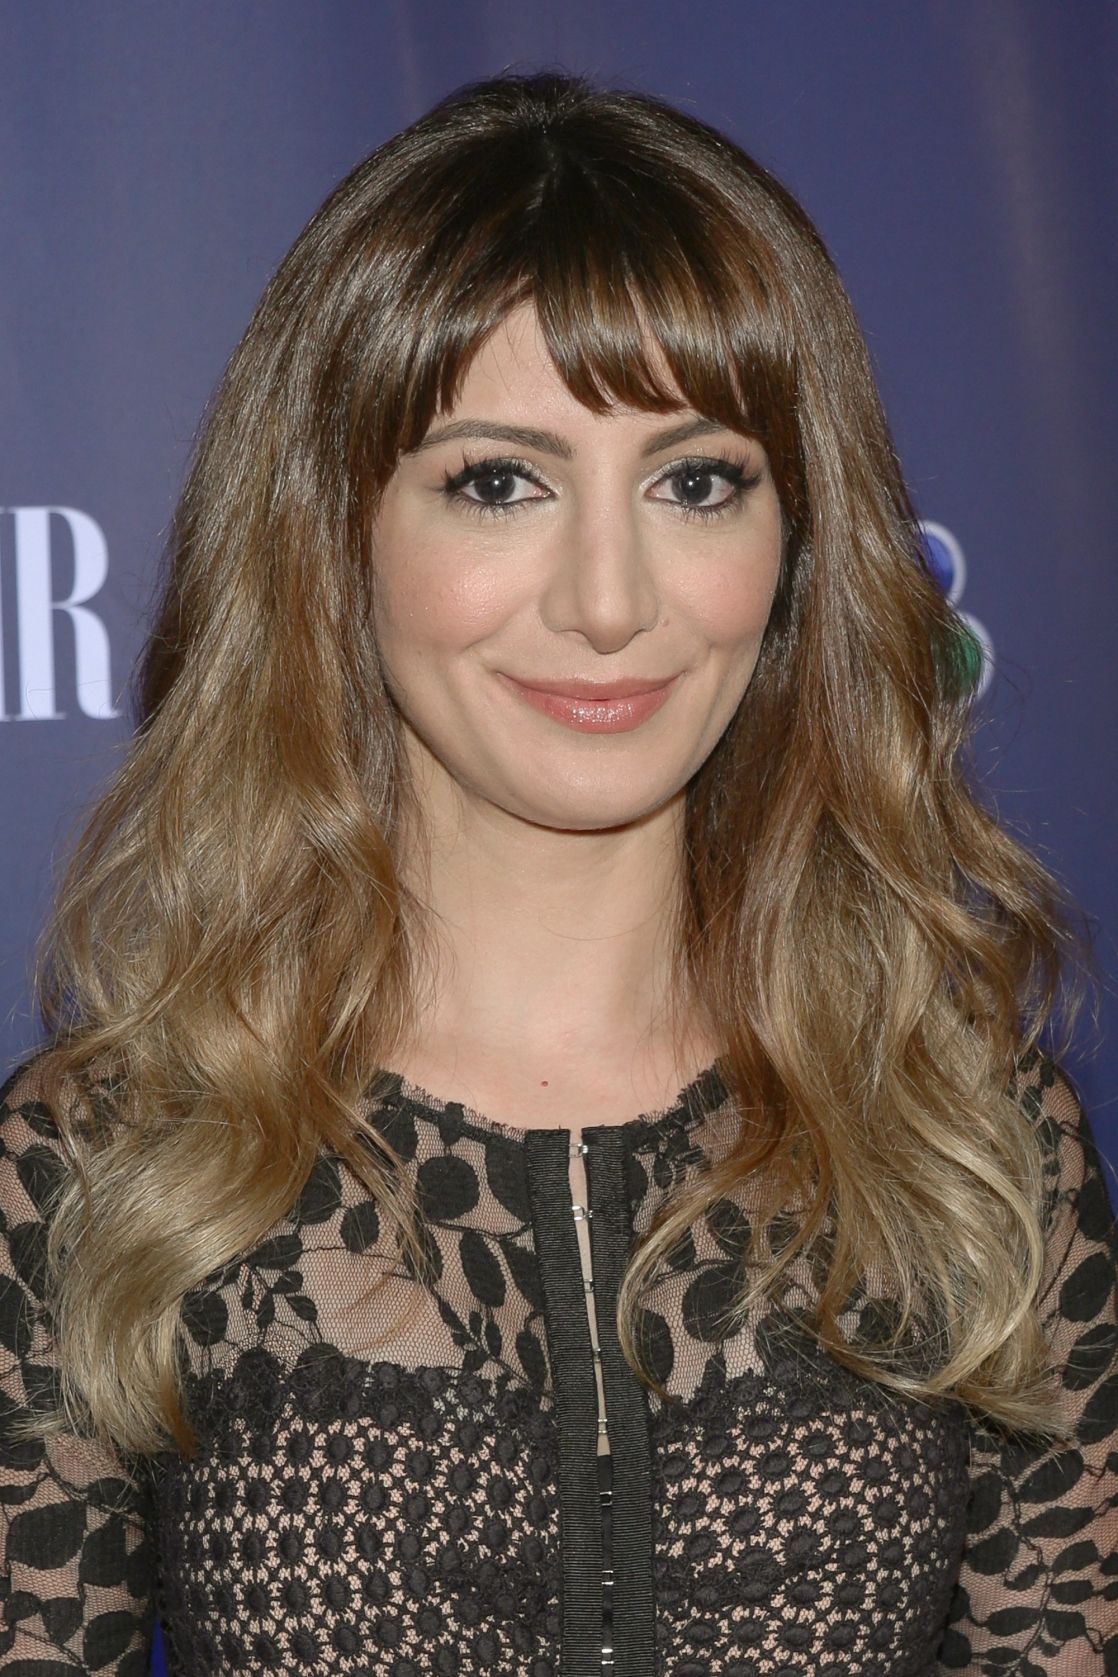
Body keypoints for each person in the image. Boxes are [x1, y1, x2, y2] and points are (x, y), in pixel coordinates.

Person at [1, 68, 1115, 1677]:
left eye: (695, 480)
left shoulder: (966, 1135)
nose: (608, 600)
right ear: (332, 532)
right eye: (497, 481)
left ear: (795, 544)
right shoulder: (112, 1159)